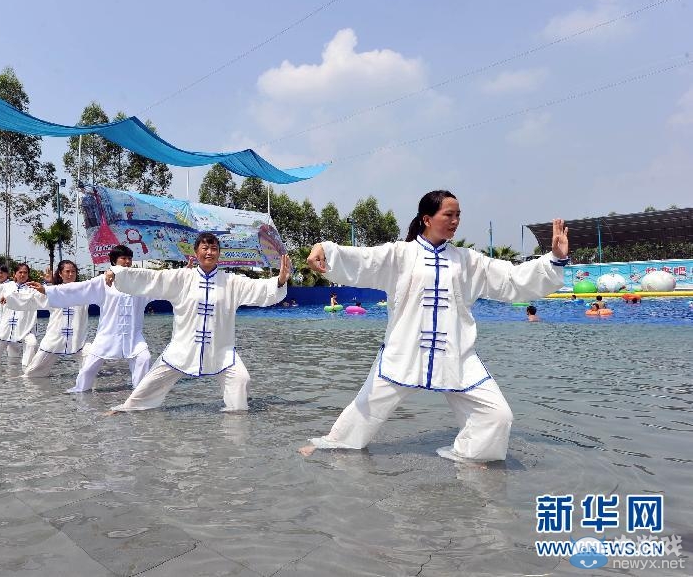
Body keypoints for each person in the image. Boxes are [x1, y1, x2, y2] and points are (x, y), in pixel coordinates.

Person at [298, 190, 569, 462]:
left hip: (456, 356)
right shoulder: (400, 255)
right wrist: (326, 250)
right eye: (448, 215)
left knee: (497, 415)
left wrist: (554, 259)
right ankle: (333, 444)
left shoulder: (468, 260)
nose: (455, 221)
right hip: (404, 352)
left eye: (458, 215)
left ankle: (470, 456)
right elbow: (362, 259)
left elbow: (511, 278)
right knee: (367, 406)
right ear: (427, 219)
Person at [105, 232, 291, 413]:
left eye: (214, 248)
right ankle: (127, 408)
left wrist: (280, 280)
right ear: (196, 252)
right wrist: (117, 273)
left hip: (220, 350)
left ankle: (236, 420)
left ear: (219, 253)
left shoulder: (232, 282)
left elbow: (258, 288)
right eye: (205, 248)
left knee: (242, 380)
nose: (209, 252)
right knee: (151, 383)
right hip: (182, 349)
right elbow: (151, 278)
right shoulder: (181, 278)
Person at [32, 246, 154, 393]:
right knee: (89, 368)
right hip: (108, 334)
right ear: (114, 261)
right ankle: (81, 389)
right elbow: (80, 289)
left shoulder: (139, 281)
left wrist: (186, 273)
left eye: (129, 258)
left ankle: (139, 394)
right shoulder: (103, 282)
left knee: (144, 358)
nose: (127, 262)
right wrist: (48, 289)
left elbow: (160, 281)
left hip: (133, 335)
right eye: (123, 258)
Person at [4, 260, 89, 379]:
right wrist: (9, 299)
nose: (70, 274)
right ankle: (25, 390)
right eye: (67, 271)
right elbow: (31, 298)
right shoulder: (52, 291)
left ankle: (86, 389)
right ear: (60, 274)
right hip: (55, 337)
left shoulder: (85, 291)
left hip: (78, 339)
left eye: (73, 271)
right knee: (32, 374)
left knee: (90, 359)